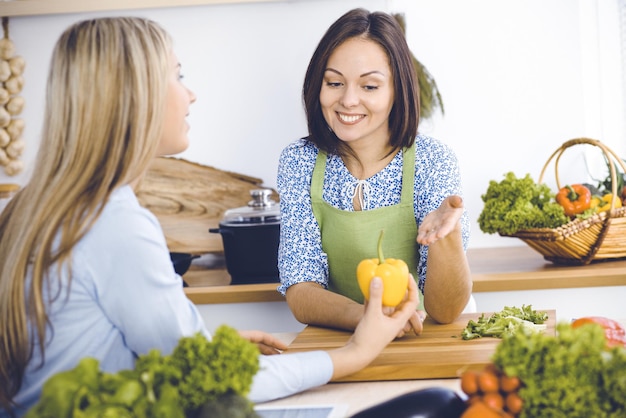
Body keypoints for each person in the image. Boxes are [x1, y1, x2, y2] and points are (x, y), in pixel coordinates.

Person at [0, 17, 420, 417]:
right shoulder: (114, 223)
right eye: (177, 76)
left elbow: (92, 347)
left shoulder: (32, 207)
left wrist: (204, 345)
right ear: (136, 95)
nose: (191, 94)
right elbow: (208, 384)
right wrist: (355, 353)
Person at [277, 8, 473, 334]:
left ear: (397, 90)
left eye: (369, 86)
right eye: (335, 82)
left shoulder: (432, 160)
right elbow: (301, 290)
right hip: (345, 338)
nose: (349, 100)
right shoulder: (300, 161)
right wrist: (368, 321)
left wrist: (447, 237)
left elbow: (446, 310)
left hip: (424, 338)